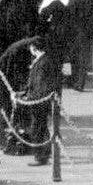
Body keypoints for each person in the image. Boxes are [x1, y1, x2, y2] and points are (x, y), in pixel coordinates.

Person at [22, 35, 61, 166]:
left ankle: (40, 156)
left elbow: (40, 84)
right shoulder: (44, 60)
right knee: (42, 127)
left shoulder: (42, 62)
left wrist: (29, 98)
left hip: (39, 101)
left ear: (34, 48)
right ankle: (44, 153)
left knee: (37, 128)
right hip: (42, 99)